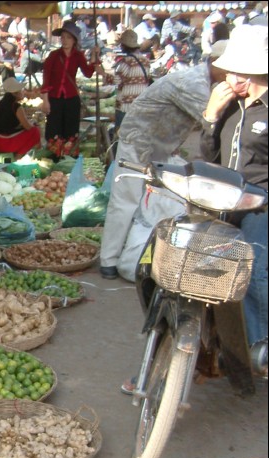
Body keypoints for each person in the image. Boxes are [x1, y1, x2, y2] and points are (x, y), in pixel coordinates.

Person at [99, 42, 229, 281]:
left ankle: (138, 255)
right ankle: (109, 260)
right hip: (140, 142)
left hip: (160, 147)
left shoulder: (207, 82)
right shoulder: (195, 84)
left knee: (155, 202)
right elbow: (211, 121)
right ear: (218, 65)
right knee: (125, 200)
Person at [200, 24, 267, 356]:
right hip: (223, 201)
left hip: (261, 206)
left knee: (253, 272)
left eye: (239, 73)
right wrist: (210, 117)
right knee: (195, 263)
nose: (231, 80)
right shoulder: (226, 104)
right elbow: (209, 157)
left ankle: (259, 346)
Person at [40, 22, 103, 158]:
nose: (65, 40)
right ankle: (54, 158)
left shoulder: (78, 55)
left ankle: (68, 159)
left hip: (71, 98)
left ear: (74, 40)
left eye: (68, 37)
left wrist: (93, 56)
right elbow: (46, 79)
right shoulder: (54, 56)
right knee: (54, 129)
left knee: (70, 129)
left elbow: (88, 73)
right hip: (55, 98)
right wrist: (45, 101)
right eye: (63, 37)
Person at [104, 29, 151, 134]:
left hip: (125, 107)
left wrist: (103, 74)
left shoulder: (125, 62)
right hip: (140, 105)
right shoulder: (146, 61)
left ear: (124, 46)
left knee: (121, 136)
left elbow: (116, 81)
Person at [0, 77, 41, 158]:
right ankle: (18, 157)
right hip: (4, 144)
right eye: (21, 90)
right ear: (15, 93)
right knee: (35, 131)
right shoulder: (16, 107)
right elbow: (28, 127)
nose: (23, 92)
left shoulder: (1, 103)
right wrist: (33, 124)